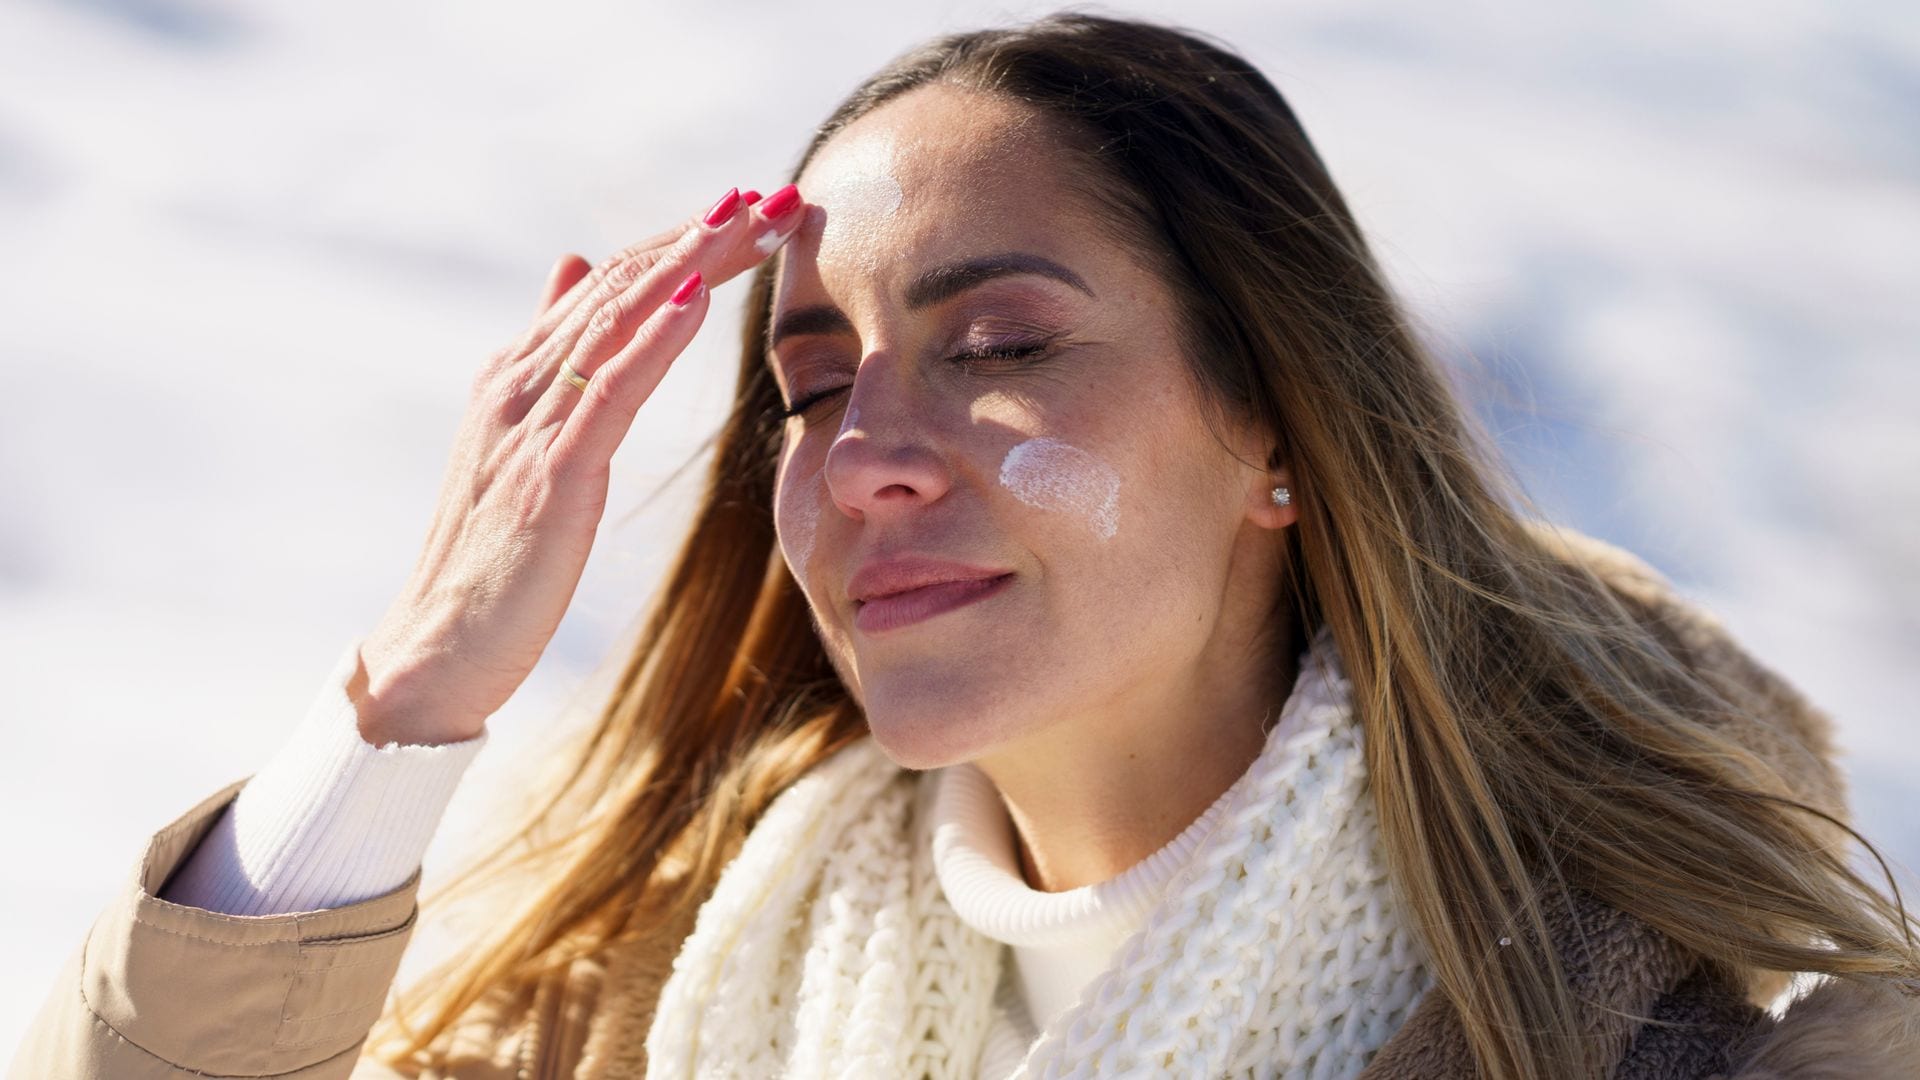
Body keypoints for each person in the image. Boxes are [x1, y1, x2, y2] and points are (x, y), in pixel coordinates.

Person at [12, 12, 1920, 1080]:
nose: (867, 461)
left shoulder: (1695, 1044)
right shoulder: (625, 997)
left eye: (1001, 348)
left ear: (1277, 426)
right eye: (809, 384)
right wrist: (411, 704)